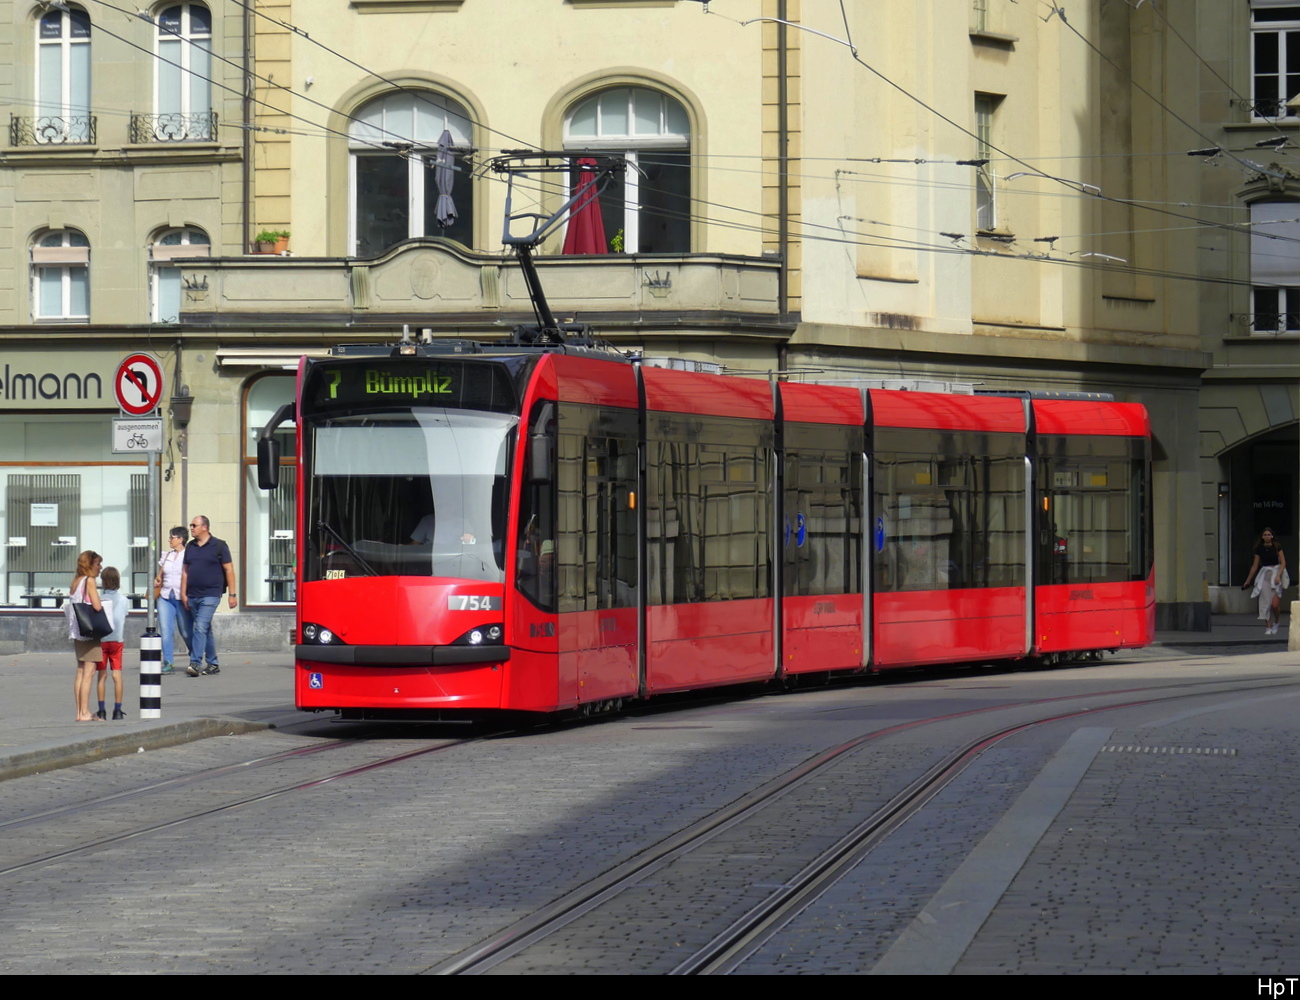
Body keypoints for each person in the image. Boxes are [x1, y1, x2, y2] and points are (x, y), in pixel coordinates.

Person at [180, 515, 237, 677]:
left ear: (204, 527)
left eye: (194, 525)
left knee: (199, 627)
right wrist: (183, 593)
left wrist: (232, 594)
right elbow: (185, 571)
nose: (191, 528)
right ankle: (213, 663)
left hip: (211, 594)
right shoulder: (190, 546)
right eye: (191, 525)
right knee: (205, 629)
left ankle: (195, 662)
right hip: (193, 595)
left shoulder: (219, 546)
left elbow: (229, 570)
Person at [66, 550, 106, 722]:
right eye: (97, 564)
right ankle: (85, 712)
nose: (100, 567)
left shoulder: (76, 581)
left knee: (81, 671)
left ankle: (79, 712)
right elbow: (97, 606)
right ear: (89, 565)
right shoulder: (89, 581)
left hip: (77, 630)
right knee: (89, 671)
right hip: (89, 632)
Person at [153, 526, 193, 675]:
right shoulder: (167, 555)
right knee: (165, 630)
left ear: (180, 539)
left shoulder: (188, 555)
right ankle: (168, 663)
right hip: (165, 596)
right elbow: (160, 575)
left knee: (185, 631)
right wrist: (157, 579)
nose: (169, 540)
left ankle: (194, 657)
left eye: (172, 537)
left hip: (181, 597)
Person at [95, 566, 130, 721]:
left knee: (102, 675)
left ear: (103, 582)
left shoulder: (99, 599)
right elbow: (124, 615)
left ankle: (102, 710)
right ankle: (117, 709)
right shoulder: (123, 600)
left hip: (102, 641)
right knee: (117, 675)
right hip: (117, 640)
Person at [1242, 526, 1288, 636]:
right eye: (1265, 535)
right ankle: (1268, 626)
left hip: (1275, 573)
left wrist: (1278, 575)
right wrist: (1248, 580)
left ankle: (1276, 622)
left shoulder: (1277, 547)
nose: (1267, 537)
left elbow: (1283, 562)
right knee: (1265, 602)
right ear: (1262, 537)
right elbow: (1255, 566)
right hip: (1265, 576)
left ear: (1272, 536)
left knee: (1274, 605)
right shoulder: (1259, 549)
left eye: (1269, 535)